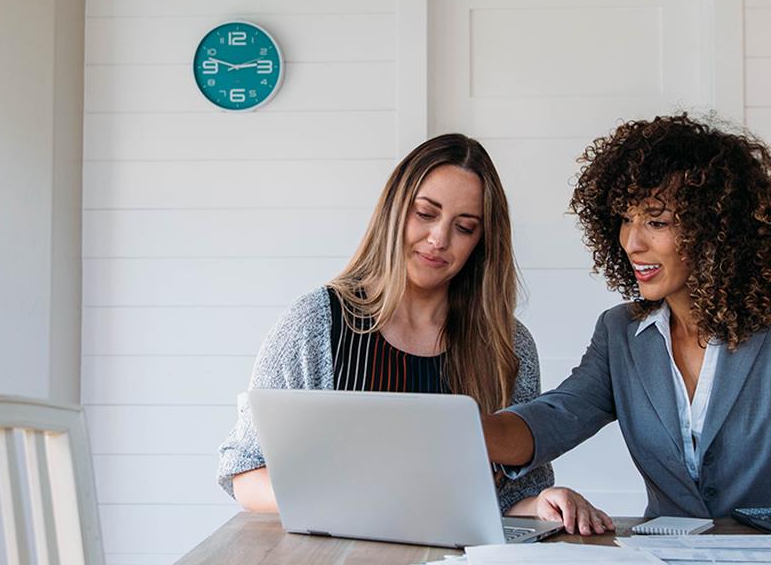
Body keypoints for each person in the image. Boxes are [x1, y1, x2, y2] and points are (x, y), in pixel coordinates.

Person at [483, 114, 771, 563]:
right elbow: (552, 420)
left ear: (719, 230)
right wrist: (463, 431)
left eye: (657, 222)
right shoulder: (620, 332)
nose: (632, 242)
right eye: (626, 219)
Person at [218, 133, 613, 534]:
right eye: (425, 214)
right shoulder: (316, 323)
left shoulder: (507, 344)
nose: (439, 239)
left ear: (482, 241)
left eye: (464, 227)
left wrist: (543, 503)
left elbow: (509, 498)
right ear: (394, 212)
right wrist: (355, 502)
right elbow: (246, 472)